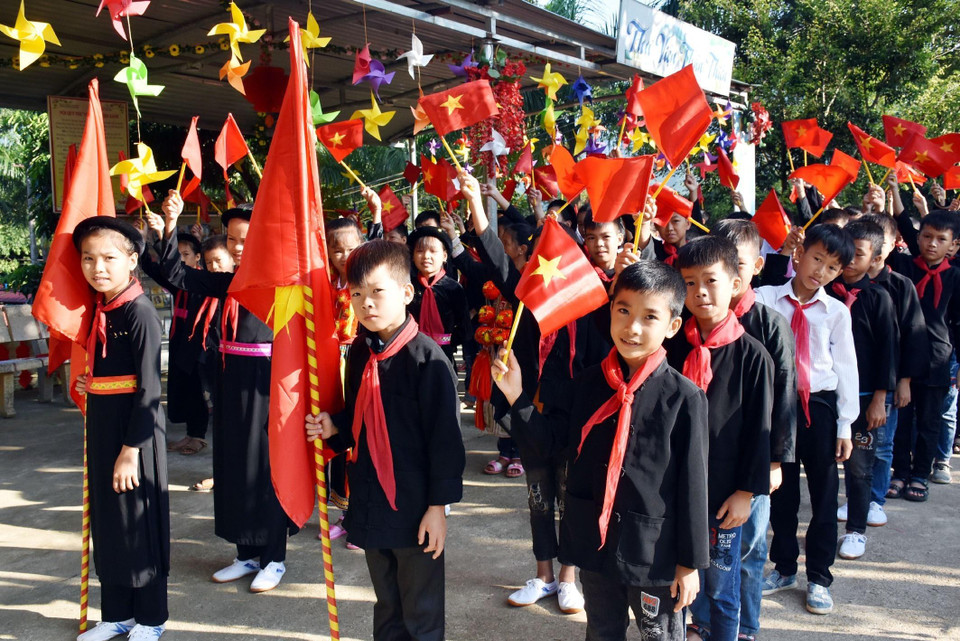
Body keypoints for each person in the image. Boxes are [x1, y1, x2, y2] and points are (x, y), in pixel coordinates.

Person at [491, 260, 709, 641]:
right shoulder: (589, 383)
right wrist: (515, 396)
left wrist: (689, 564)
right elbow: (551, 445)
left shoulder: (683, 397)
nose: (633, 327)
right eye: (623, 310)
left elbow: (693, 485)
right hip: (593, 540)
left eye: (649, 317)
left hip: (651, 550)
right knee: (602, 630)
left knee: (659, 634)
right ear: (610, 310)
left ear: (673, 326)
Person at [305, 239, 465, 641]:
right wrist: (334, 426)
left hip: (414, 506)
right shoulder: (360, 351)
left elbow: (445, 443)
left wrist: (437, 508)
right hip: (371, 499)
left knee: (421, 610)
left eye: (378, 292)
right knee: (388, 604)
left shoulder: (428, 361)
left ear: (406, 293)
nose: (366, 304)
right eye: (357, 294)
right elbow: (362, 415)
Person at [159, 192, 293, 594]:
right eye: (233, 239)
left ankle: (274, 558)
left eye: (247, 238)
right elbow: (175, 276)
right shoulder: (226, 283)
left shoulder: (284, 283)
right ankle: (245, 553)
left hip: (267, 385)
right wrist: (170, 224)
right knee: (233, 466)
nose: (239, 246)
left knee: (264, 471)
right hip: (229, 383)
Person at [666, 236, 773, 641]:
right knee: (676, 581)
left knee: (722, 585)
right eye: (689, 283)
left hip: (725, 493)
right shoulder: (672, 344)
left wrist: (747, 492)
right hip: (675, 487)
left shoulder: (753, 356)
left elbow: (758, 433)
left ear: (735, 283)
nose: (700, 292)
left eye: (710, 280)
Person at [72, 217, 169, 641]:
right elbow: (110, 372)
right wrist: (87, 384)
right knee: (110, 523)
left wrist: (131, 449)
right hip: (104, 429)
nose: (98, 268)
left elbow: (149, 387)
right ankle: (116, 614)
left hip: (136, 437)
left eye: (109, 258)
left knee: (138, 523)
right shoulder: (101, 309)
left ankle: (151, 618)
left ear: (132, 259)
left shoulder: (139, 311)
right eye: (88, 259)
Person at [756, 224, 857, 616]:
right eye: (817, 259)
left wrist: (846, 425)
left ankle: (819, 576)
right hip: (779, 403)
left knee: (824, 493)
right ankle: (783, 567)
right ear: (800, 253)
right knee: (781, 489)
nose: (822, 272)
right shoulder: (766, 298)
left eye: (833, 268)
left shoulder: (836, 312)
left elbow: (847, 368)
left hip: (822, 405)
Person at [707, 219, 797, 641]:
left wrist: (776, 461)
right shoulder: (695, 323)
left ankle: (747, 627)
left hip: (755, 459)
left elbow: (784, 397)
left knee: (749, 547)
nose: (729, 273)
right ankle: (704, 622)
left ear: (758, 265)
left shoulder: (769, 324)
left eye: (738, 264)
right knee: (709, 547)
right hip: (711, 458)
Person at [826, 220, 897, 560]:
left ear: (875, 259)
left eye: (860, 254)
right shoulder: (823, 293)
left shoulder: (879, 297)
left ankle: (856, 530)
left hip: (867, 394)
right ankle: (824, 527)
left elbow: (888, 351)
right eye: (847, 252)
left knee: (860, 465)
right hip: (827, 394)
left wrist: (881, 399)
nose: (851, 259)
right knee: (825, 464)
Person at [858, 212, 928, 523]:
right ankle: (858, 497)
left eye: (882, 243)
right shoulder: (845, 286)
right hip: (857, 379)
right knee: (858, 446)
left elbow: (912, 335)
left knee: (882, 445)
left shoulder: (900, 286)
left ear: (888, 247)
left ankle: (876, 499)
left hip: (887, 380)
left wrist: (905, 381)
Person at [888, 203, 960, 501]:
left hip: (937, 359)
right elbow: (900, 226)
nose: (932, 244)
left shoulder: (956, 277)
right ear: (917, 239)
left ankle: (920, 474)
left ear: (953, 245)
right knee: (901, 421)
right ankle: (900, 473)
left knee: (930, 421)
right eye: (927, 236)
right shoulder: (904, 267)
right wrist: (889, 199)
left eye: (941, 239)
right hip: (903, 355)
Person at [407, 226, 470, 364]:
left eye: (433, 251)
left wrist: (447, 341)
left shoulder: (453, 288)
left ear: (445, 256)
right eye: (420, 251)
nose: (426, 256)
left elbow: (464, 327)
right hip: (411, 353)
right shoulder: (407, 287)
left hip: (443, 355)